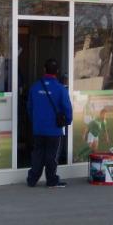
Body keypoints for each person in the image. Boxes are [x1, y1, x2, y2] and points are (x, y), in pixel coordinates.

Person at [26, 58, 72, 188]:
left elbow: (29, 107)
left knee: (38, 154)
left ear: (44, 69)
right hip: (54, 130)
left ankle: (32, 180)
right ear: (56, 72)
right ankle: (51, 180)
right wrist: (67, 121)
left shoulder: (35, 87)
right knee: (51, 156)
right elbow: (67, 108)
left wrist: (35, 121)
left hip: (38, 128)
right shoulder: (60, 89)